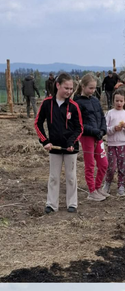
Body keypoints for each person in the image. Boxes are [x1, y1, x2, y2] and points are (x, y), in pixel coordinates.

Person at [35, 71, 83, 214]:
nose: (69, 91)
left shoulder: (74, 106)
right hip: (54, 148)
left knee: (71, 176)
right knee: (54, 177)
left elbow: (79, 128)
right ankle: (52, 204)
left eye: (71, 89)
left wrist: (71, 142)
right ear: (57, 86)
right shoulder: (46, 103)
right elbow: (38, 123)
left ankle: (72, 204)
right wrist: (45, 141)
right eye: (66, 88)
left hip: (70, 149)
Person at [74, 73, 109, 202]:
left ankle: (98, 186)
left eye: (94, 88)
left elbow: (101, 116)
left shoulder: (95, 100)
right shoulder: (77, 102)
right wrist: (94, 131)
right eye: (90, 88)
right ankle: (91, 190)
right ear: (83, 86)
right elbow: (80, 124)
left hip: (98, 136)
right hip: (87, 137)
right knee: (90, 165)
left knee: (103, 164)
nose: (93, 91)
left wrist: (103, 129)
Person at [104, 91, 125, 197]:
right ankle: (107, 183)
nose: (119, 103)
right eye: (117, 100)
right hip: (112, 144)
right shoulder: (109, 114)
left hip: (123, 144)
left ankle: (121, 186)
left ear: (124, 101)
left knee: (122, 166)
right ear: (113, 101)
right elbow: (105, 129)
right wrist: (113, 129)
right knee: (111, 167)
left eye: (121, 101)